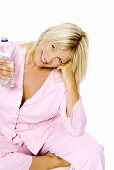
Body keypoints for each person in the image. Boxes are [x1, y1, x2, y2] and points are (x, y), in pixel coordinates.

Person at [0, 23, 105, 170]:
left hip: (46, 132)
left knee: (92, 152)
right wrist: (51, 162)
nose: (49, 58)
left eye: (60, 59)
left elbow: (76, 128)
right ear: (48, 35)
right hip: (4, 134)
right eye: (53, 47)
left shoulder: (60, 78)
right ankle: (51, 161)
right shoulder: (6, 52)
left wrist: (70, 80)